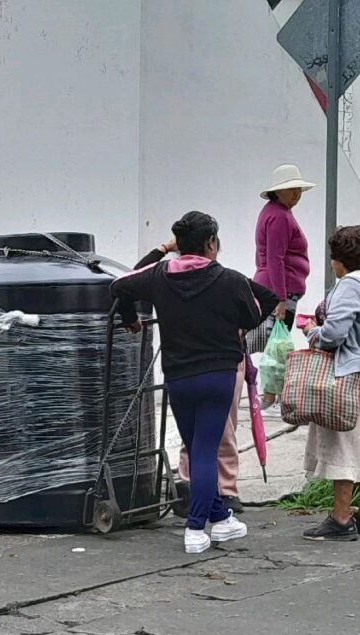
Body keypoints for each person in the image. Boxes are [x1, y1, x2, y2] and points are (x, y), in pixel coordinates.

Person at [113, 212, 279, 554]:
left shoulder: (159, 276)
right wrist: (240, 324)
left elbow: (120, 284)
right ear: (211, 244)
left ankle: (220, 518)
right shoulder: (230, 279)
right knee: (206, 449)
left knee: (196, 446)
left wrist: (131, 320)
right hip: (218, 377)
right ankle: (195, 528)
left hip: (178, 377)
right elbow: (259, 308)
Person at [130, 239, 246, 517]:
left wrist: (163, 248)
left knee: (216, 432)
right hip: (210, 365)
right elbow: (134, 276)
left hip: (208, 364)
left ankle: (220, 494)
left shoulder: (222, 279)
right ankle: (206, 499)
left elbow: (128, 280)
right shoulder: (170, 278)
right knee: (199, 436)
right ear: (212, 244)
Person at [300, 226, 360, 542]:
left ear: (343, 259)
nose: (332, 264)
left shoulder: (350, 286)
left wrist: (312, 331)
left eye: (334, 258)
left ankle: (341, 518)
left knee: (342, 449)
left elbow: (333, 335)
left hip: (348, 379)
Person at [253, 164, 316, 416]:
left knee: (274, 344)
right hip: (280, 290)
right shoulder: (279, 216)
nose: (296, 194)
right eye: (291, 190)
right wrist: (280, 298)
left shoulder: (275, 212)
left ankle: (271, 396)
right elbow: (276, 258)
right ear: (278, 192)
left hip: (278, 288)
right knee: (275, 346)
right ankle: (270, 397)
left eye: (298, 190)